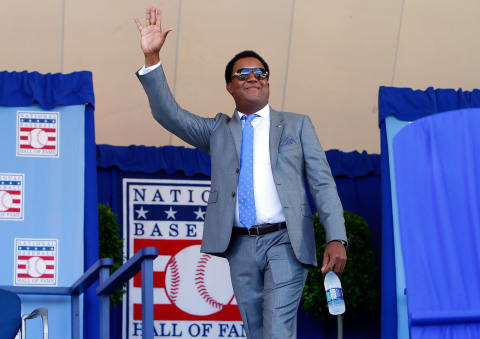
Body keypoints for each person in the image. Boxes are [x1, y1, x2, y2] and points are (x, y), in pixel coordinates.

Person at [134, 7, 347, 339]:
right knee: (256, 331)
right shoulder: (218, 130)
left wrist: (336, 236)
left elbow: (322, 183)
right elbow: (169, 115)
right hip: (240, 246)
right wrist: (152, 58)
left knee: (278, 330)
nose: (253, 77)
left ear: (268, 82)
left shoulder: (297, 125)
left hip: (285, 242)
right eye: (243, 73)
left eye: (260, 72)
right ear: (230, 87)